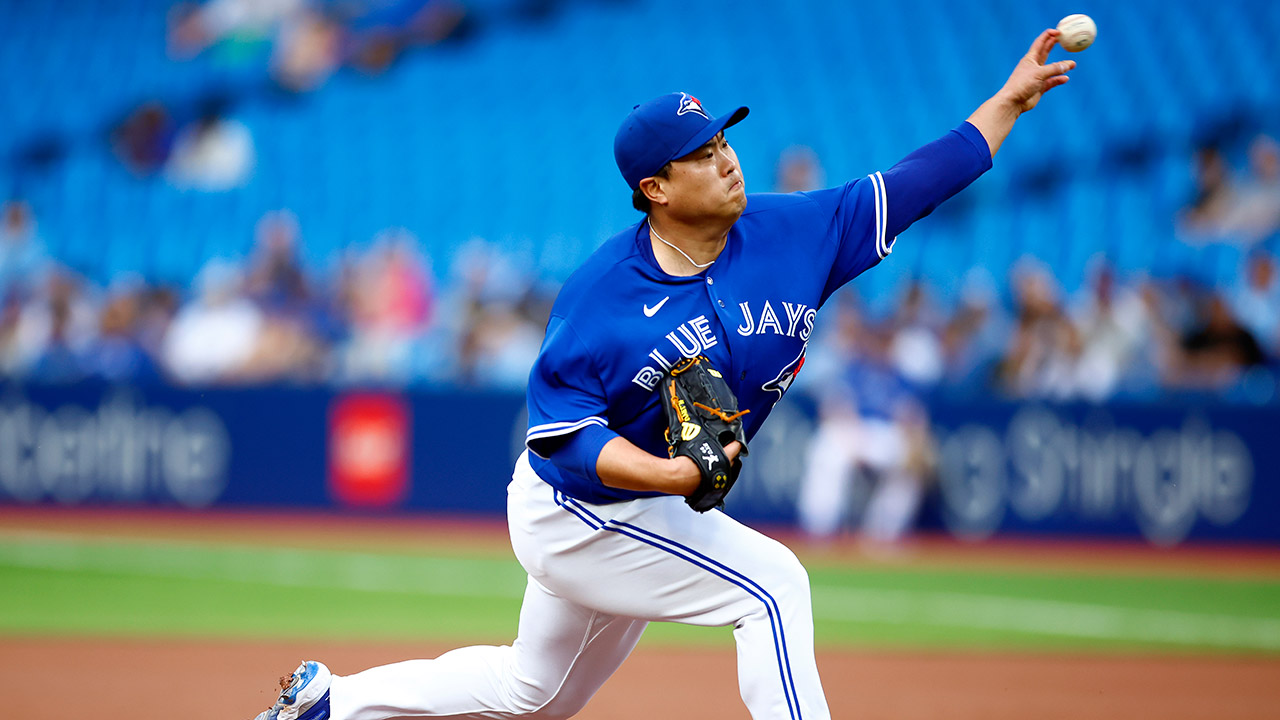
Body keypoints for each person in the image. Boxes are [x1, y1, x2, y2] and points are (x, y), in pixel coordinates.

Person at [247, 27, 1076, 720]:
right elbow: (564, 440)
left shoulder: (796, 233)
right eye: (701, 154)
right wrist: (671, 476)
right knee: (772, 588)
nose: (727, 160)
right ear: (656, 188)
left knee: (534, 694)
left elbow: (917, 184)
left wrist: (1008, 101)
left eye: (723, 141)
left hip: (639, 509)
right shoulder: (602, 299)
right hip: (576, 510)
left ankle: (331, 703)